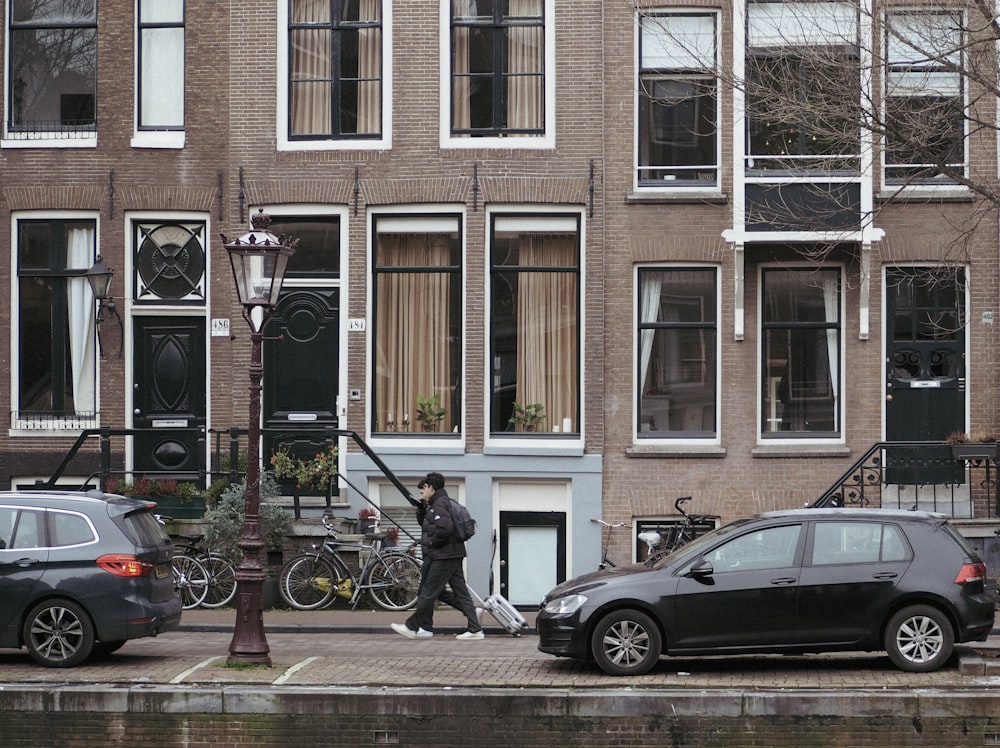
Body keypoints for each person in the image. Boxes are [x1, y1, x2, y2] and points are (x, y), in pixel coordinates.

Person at [391, 472, 484, 641]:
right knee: (460, 591)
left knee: (429, 590)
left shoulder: (439, 505)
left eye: (423, 490)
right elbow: (431, 525)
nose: (422, 493)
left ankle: (412, 626)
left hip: (444, 555)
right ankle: (475, 629)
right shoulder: (439, 503)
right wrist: (422, 510)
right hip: (453, 553)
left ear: (430, 488)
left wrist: (430, 543)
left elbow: (443, 529)